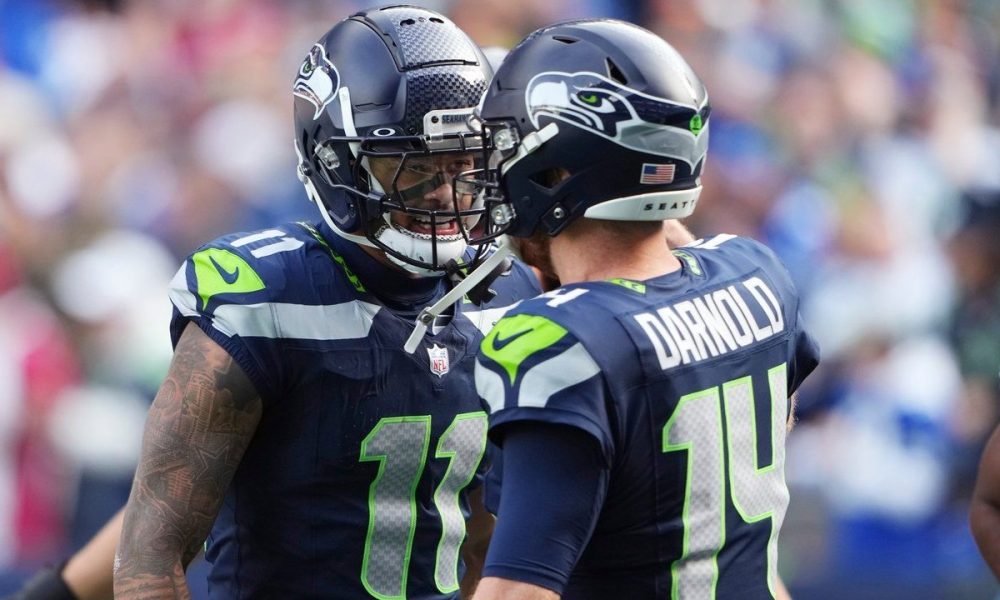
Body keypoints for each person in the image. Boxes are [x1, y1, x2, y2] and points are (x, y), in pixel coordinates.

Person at [103, 5, 540, 599]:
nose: (444, 192)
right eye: (412, 168)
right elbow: (149, 559)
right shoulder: (267, 298)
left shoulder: (507, 294)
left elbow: (487, 545)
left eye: (463, 162)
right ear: (335, 160)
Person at [457, 19, 820, 600]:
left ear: (555, 169)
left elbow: (520, 592)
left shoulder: (560, 341)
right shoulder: (758, 276)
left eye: (506, 142)